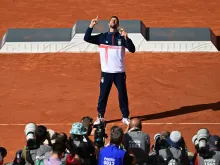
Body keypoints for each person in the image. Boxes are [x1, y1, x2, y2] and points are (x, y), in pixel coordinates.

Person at [84, 15, 136, 125]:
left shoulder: (121, 37)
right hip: (106, 72)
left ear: (117, 25)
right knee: (103, 95)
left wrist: (127, 38)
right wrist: (91, 25)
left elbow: (132, 49)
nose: (113, 21)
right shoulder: (102, 37)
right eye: (112, 20)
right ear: (109, 24)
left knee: (122, 95)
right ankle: (100, 117)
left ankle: (125, 117)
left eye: (115, 21)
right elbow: (87, 38)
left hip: (119, 73)